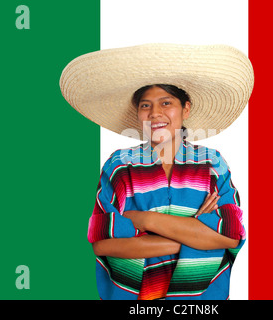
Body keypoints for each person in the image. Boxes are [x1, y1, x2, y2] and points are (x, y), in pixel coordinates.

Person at [60, 43, 254, 300]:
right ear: (137, 113)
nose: (155, 113)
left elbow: (231, 236)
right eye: (145, 105)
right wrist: (193, 235)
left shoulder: (212, 165)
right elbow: (102, 242)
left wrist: (144, 221)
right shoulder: (120, 166)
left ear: (185, 108)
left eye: (166, 102)